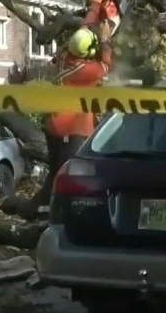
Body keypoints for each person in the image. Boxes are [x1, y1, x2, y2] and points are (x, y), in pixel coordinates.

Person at [32, 21, 114, 208]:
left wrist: (88, 23)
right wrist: (105, 39)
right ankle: (64, 213)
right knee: (71, 175)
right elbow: (106, 64)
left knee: (54, 174)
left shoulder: (63, 57)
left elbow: (75, 40)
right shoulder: (86, 71)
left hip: (54, 125)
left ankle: (43, 209)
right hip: (74, 129)